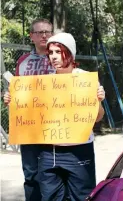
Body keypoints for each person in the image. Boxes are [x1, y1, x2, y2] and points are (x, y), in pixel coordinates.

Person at [39, 32, 105, 201]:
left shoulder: (85, 79)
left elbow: (97, 118)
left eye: (57, 52)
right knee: (50, 197)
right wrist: (14, 101)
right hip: (49, 151)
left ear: (69, 53)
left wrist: (98, 101)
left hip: (79, 150)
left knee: (82, 197)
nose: (53, 57)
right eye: (50, 52)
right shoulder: (43, 83)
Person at [3, 18, 55, 201]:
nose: (44, 35)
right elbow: (17, 91)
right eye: (39, 32)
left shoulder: (59, 58)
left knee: (51, 175)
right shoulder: (23, 62)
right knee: (31, 174)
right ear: (31, 36)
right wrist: (9, 97)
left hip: (54, 127)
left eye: (48, 31)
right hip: (29, 128)